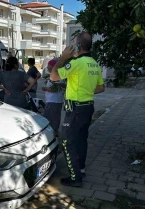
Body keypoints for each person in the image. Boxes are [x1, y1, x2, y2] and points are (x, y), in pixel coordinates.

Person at [50, 32, 105, 187]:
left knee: (67, 142)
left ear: (78, 45)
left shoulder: (75, 63)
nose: (71, 46)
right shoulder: (94, 63)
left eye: (73, 43)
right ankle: (80, 169)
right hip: (88, 108)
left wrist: (62, 58)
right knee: (81, 140)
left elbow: (53, 77)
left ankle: (75, 178)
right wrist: (86, 90)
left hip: (75, 110)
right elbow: (101, 88)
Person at [42, 59, 65, 136]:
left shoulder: (55, 75)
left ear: (53, 66)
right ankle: (54, 132)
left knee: (49, 117)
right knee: (55, 117)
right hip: (56, 100)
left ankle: (51, 133)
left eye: (49, 65)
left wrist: (45, 88)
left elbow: (55, 89)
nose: (47, 67)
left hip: (53, 100)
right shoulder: (58, 74)